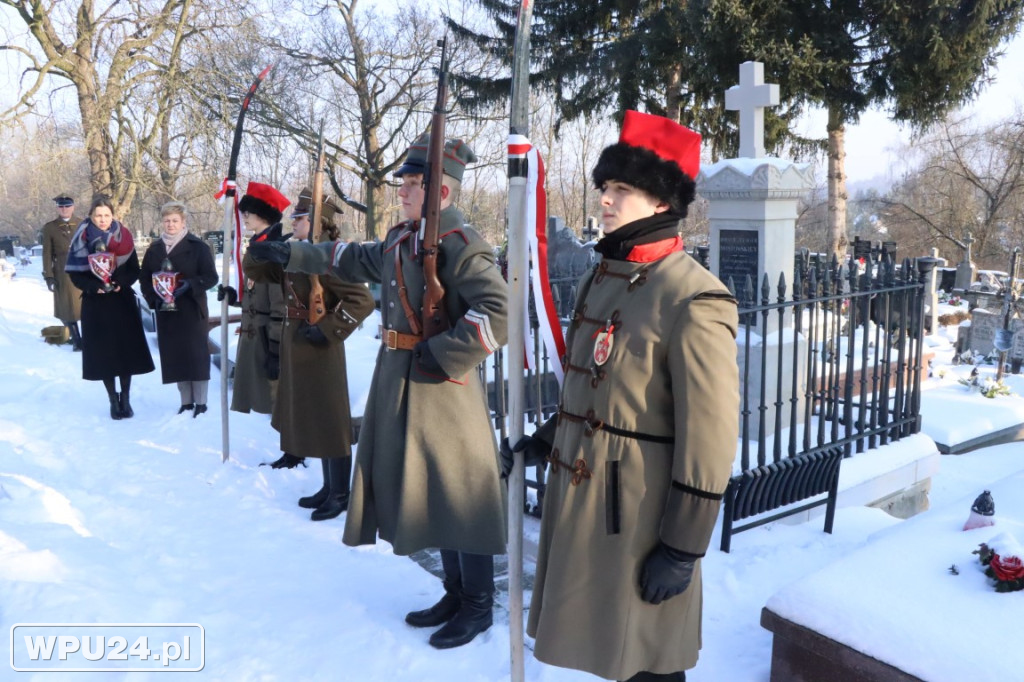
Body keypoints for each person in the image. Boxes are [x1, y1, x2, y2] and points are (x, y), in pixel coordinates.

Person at [502, 111, 740, 682]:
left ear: (661, 201)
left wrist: (682, 548)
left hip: (639, 509)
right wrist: (545, 440)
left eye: (621, 189)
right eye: (605, 188)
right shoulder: (602, 274)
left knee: (648, 656)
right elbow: (590, 386)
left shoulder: (694, 297)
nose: (605, 200)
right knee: (612, 650)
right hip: (585, 491)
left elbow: (709, 439)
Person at [248, 134, 508, 649]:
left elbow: (498, 311)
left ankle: (477, 605)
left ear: (444, 195)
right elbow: (349, 257)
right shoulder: (401, 239)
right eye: (405, 183)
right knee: (433, 492)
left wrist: (444, 352)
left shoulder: (461, 244)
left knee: (458, 493)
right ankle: (455, 593)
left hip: (445, 386)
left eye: (415, 184)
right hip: (404, 377)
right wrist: (295, 252)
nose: (404, 191)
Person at [246, 189, 374, 519]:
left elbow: (362, 301)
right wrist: (264, 241)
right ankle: (329, 488)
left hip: (321, 348)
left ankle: (341, 493)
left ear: (317, 223)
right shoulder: (297, 253)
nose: (293, 222)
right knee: (315, 420)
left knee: (331, 421)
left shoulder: (330, 259)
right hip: (297, 344)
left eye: (299, 219)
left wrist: (328, 329)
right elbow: (256, 271)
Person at [65, 195, 155, 419]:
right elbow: (75, 274)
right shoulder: (81, 239)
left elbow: (134, 269)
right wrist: (92, 286)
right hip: (95, 304)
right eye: (98, 215)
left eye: (106, 215)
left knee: (124, 352)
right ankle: (112, 399)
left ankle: (125, 397)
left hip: (121, 301)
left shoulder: (124, 237)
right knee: (104, 355)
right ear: (91, 216)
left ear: (112, 215)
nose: (102, 219)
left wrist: (119, 283)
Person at [223, 182, 292, 461]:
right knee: (270, 398)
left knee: (279, 397)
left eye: (250, 212)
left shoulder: (274, 249)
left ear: (265, 215)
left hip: (268, 336)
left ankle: (293, 451)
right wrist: (236, 296)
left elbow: (278, 302)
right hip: (256, 332)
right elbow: (257, 291)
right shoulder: (259, 245)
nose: (245, 217)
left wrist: (275, 348)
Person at [139, 201, 219, 417]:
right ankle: (186, 402)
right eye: (167, 220)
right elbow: (145, 278)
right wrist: (153, 298)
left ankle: (201, 402)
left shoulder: (198, 247)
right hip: (166, 311)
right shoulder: (154, 249)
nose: (170, 224)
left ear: (183, 222)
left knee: (196, 356)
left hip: (192, 310)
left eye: (175, 220)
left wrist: (190, 285)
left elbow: (211, 277)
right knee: (176, 356)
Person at [41, 194, 83, 350]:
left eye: (67, 206)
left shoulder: (82, 224)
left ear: (73, 207)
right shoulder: (50, 227)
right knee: (66, 308)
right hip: (62, 273)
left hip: (82, 270)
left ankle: (87, 338)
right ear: (57, 208)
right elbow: (47, 254)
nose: (64, 209)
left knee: (85, 307)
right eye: (61, 206)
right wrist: (49, 276)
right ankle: (77, 340)